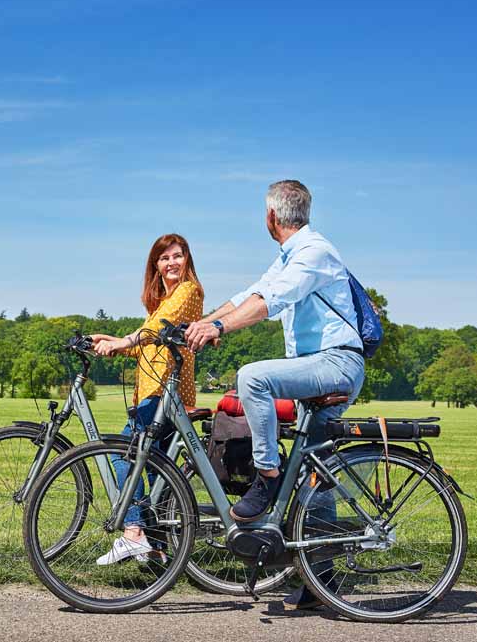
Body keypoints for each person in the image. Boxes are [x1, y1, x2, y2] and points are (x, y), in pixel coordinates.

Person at [184, 179, 366, 609]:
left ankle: (266, 476)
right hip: (322, 366)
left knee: (253, 378)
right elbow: (250, 294)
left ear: (270, 217)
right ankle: (322, 582)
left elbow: (272, 300)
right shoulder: (291, 254)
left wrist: (220, 328)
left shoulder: (313, 252)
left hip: (336, 362)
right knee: (315, 478)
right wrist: (201, 324)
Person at [90, 233, 203, 564]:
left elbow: (156, 330)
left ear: (187, 260)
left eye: (177, 256)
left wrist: (122, 342)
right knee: (153, 472)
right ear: (156, 264)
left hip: (164, 393)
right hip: (153, 392)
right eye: (165, 258)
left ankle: (134, 531)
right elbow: (145, 341)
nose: (172, 263)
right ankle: (158, 548)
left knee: (122, 455)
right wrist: (111, 341)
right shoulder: (161, 302)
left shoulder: (188, 291)